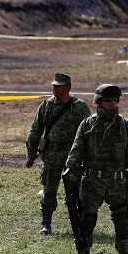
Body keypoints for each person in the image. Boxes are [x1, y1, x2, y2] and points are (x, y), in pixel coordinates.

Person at [65, 84, 128, 254]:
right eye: (108, 99)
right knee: (87, 222)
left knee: (123, 224)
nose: (112, 103)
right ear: (98, 101)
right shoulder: (87, 124)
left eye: (115, 99)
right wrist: (71, 183)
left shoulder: (125, 125)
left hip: (118, 182)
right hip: (92, 181)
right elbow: (75, 154)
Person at [26, 73, 91, 235]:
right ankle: (46, 223)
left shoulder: (80, 107)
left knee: (75, 191)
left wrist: (89, 155)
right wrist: (31, 154)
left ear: (68, 87)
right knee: (49, 190)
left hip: (73, 156)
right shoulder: (46, 106)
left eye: (58, 86)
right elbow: (35, 130)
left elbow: (89, 132)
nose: (54, 88)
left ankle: (79, 223)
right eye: (53, 86)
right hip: (52, 155)